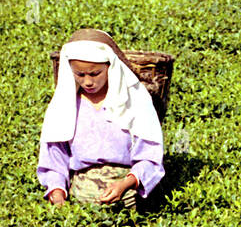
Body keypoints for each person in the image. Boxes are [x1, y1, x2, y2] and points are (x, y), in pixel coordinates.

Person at [37, 29, 165, 209]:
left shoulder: (133, 99)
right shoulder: (66, 105)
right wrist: (57, 195)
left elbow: (150, 155)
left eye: (95, 74)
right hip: (82, 192)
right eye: (80, 75)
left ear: (110, 67)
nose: (88, 82)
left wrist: (126, 183)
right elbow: (55, 156)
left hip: (127, 188)